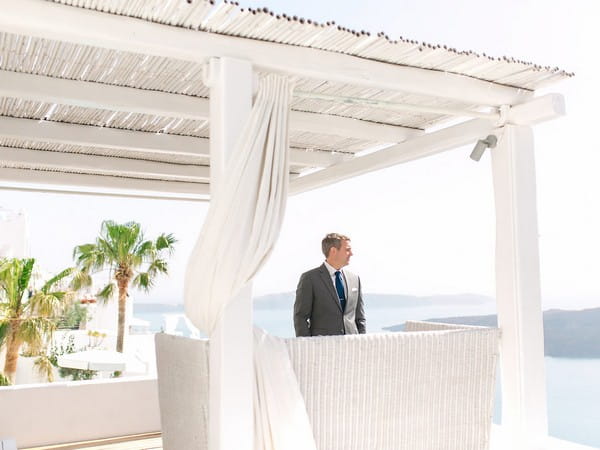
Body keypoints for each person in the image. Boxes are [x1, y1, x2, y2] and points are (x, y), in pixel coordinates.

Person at [294, 233, 366, 337]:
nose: (351, 253)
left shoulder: (354, 279)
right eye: (347, 250)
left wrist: (362, 342)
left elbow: (360, 318)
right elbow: (300, 317)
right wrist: (307, 345)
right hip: (323, 347)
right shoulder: (310, 279)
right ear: (333, 251)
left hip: (352, 345)